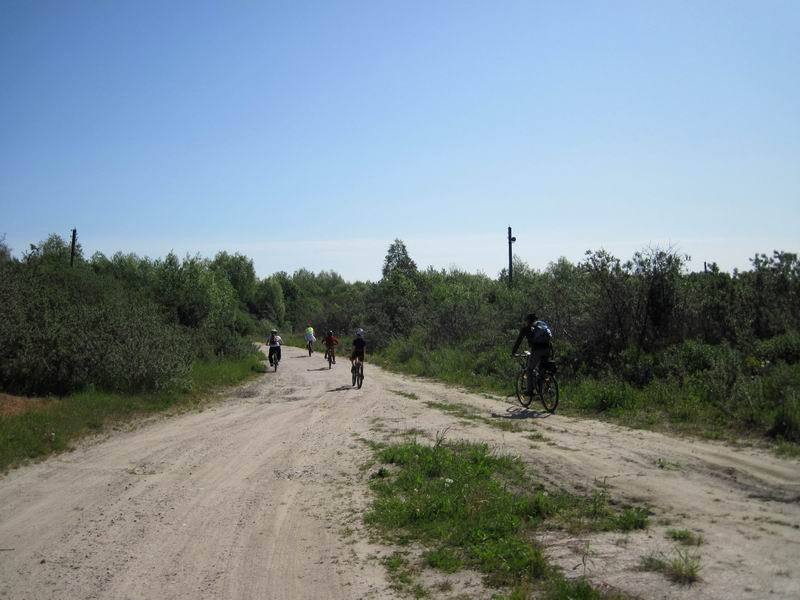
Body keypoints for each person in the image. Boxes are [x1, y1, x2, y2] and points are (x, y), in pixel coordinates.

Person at [511, 313, 553, 399]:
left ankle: (530, 390)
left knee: (529, 369)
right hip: (547, 349)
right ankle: (546, 388)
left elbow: (518, 341)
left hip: (537, 350)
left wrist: (513, 352)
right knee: (542, 370)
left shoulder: (526, 329)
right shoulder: (542, 326)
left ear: (527, 321)